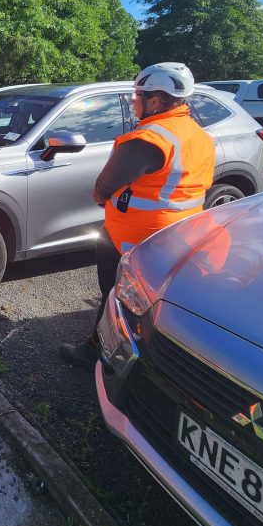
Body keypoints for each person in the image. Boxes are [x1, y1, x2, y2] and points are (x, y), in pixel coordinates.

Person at [60, 62, 215, 368]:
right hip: (179, 236)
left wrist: (102, 196)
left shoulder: (148, 139)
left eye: (138, 95)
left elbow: (104, 186)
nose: (134, 101)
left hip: (131, 241)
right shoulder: (197, 135)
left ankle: (98, 351)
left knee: (115, 298)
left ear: (155, 100)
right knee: (154, 304)